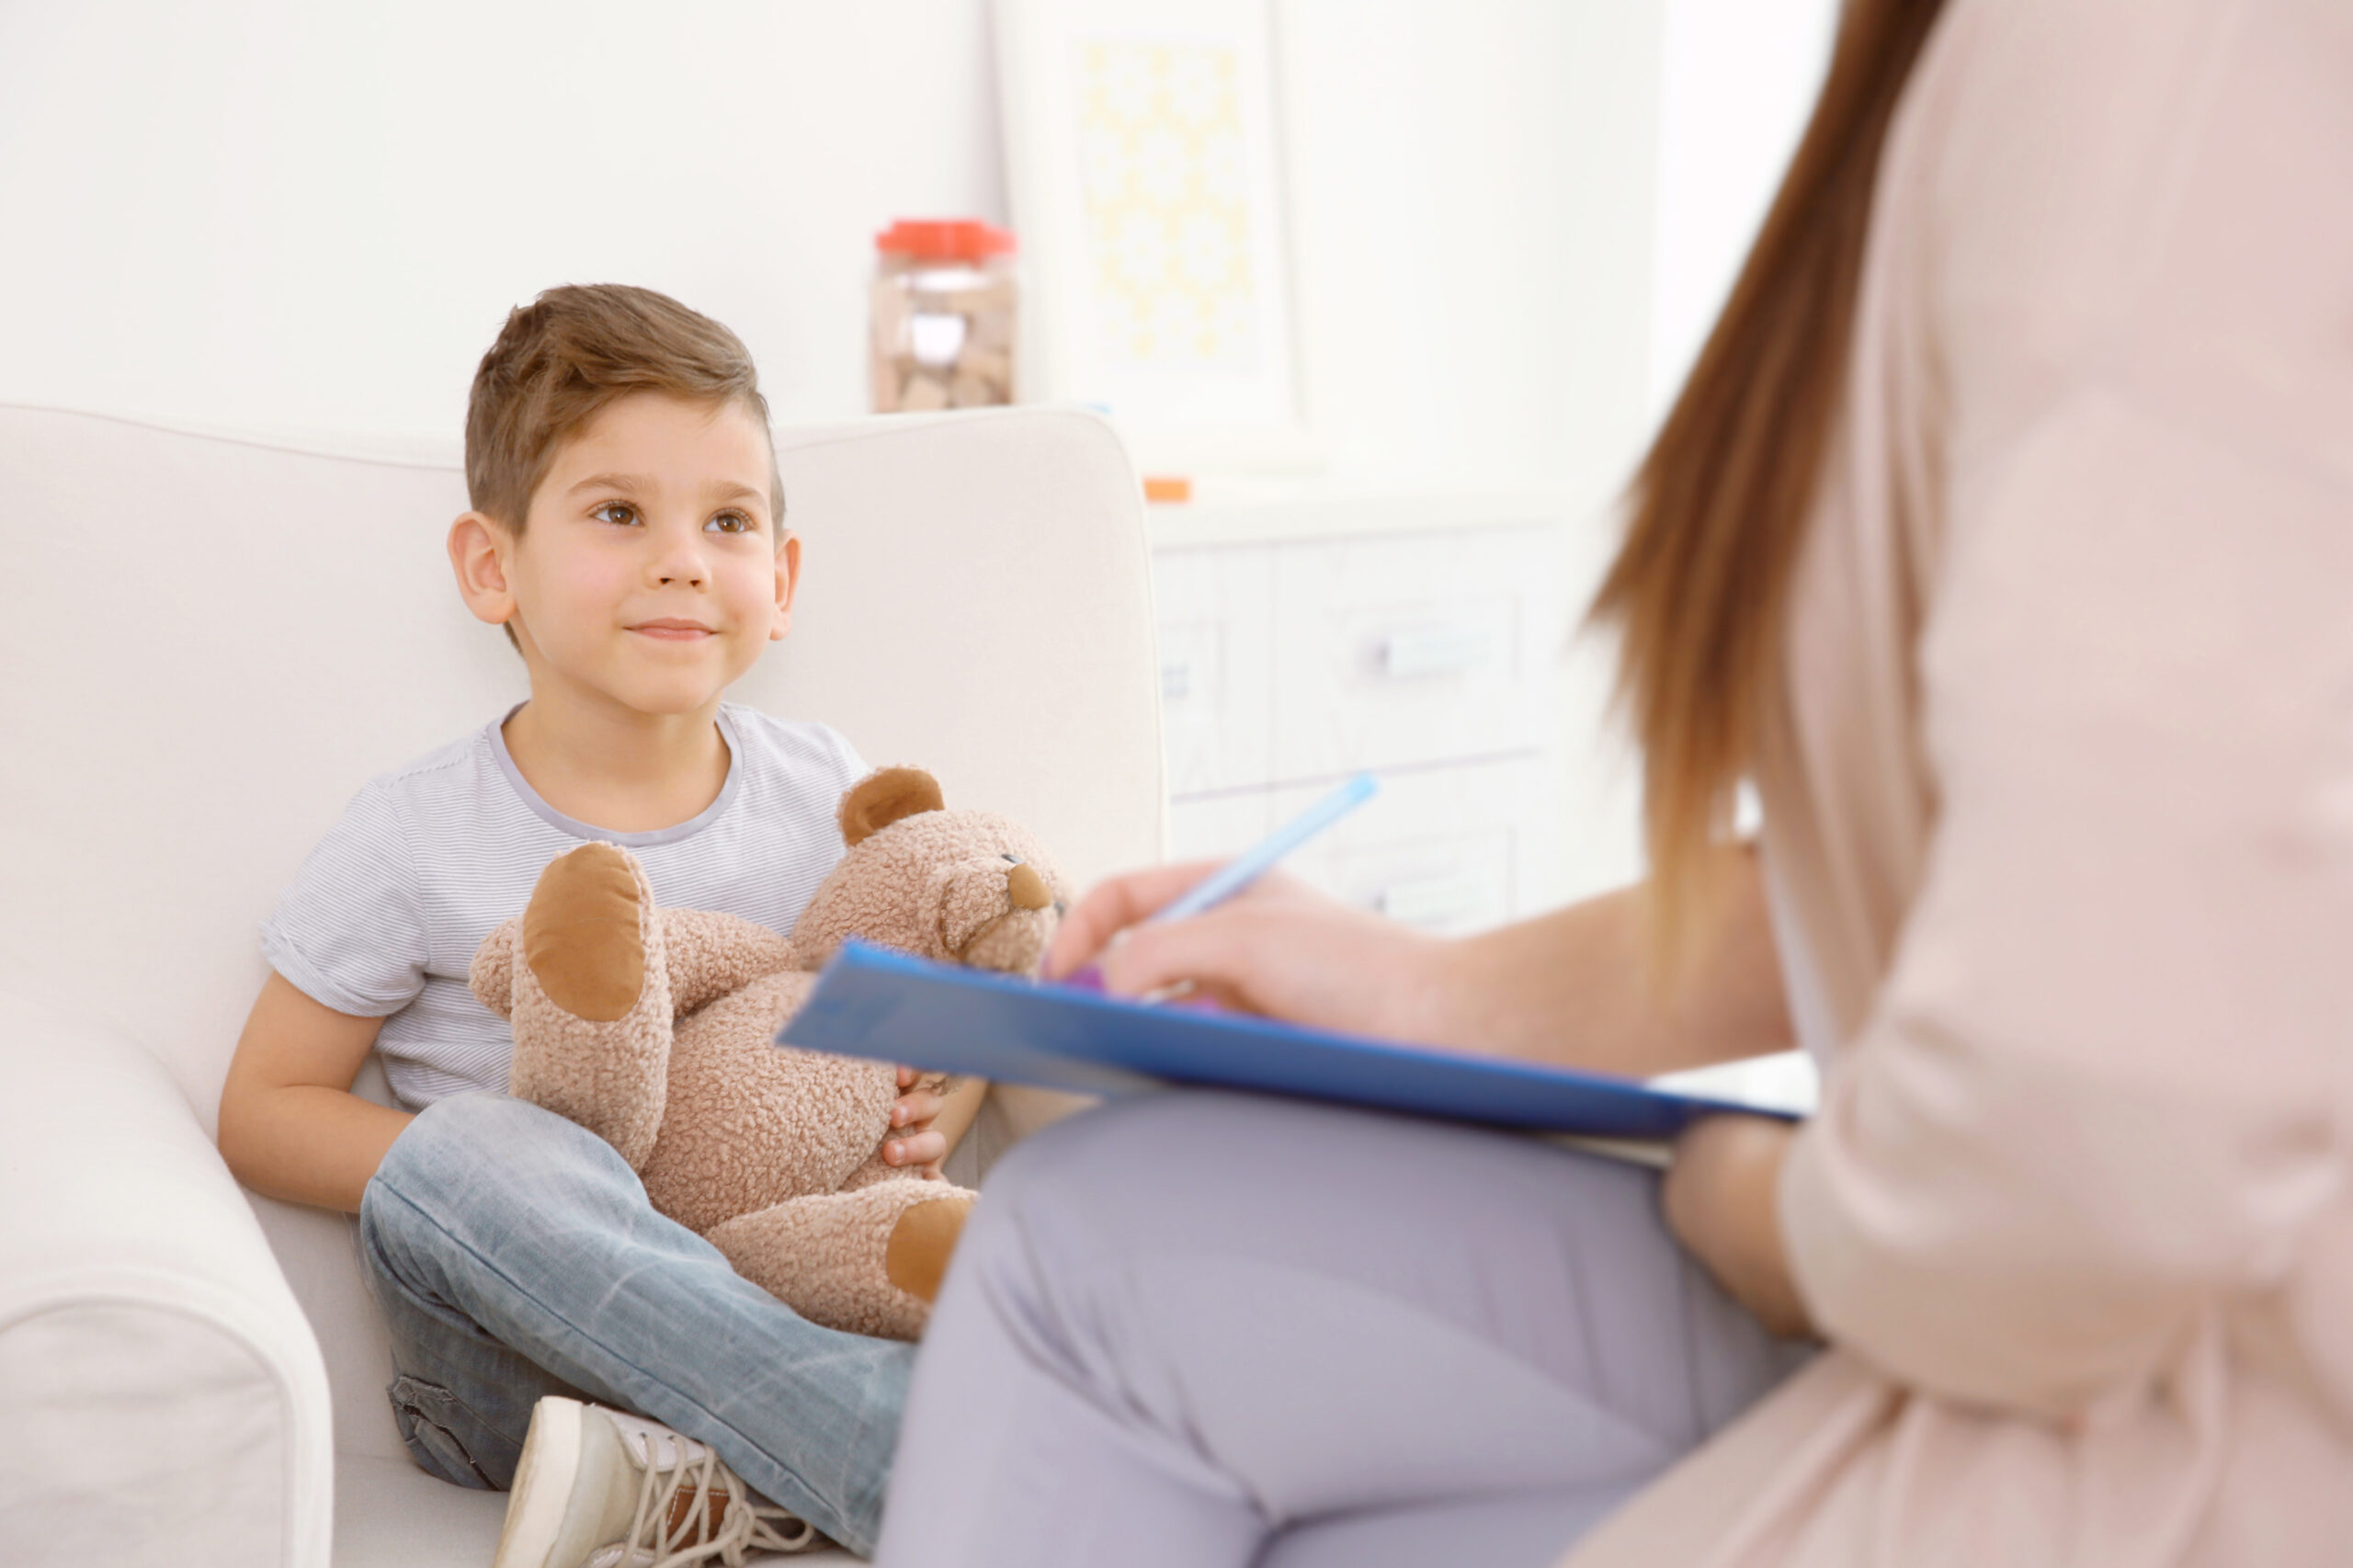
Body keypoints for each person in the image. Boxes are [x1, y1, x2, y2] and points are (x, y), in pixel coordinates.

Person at [874, 0, 2353, 1563]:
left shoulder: (2156, 68)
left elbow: (2091, 1125)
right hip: (2102, 1316)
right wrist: (1439, 990)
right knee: (1103, 1254)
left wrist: (1766, 1207)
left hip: (2202, 1397)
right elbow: (2053, 871)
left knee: (1092, 1294)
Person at [214, 284, 965, 1564]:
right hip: (521, 1377)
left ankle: (716, 1480)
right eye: (620, 514)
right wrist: (524, 1187)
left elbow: (927, 996)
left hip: (786, 1277)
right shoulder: (414, 829)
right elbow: (264, 1106)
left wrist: (937, 1093)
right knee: (467, 1149)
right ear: (491, 566)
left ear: (781, 580)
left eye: (727, 520)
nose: (683, 558)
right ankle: (886, 1453)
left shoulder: (821, 787)